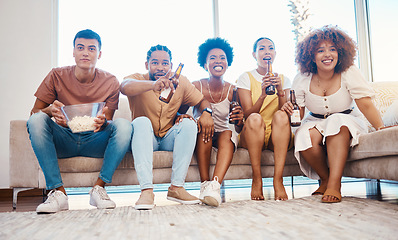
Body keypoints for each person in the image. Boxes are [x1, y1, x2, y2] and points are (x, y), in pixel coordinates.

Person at [27, 29, 133, 213]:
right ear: (73, 52)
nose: (85, 52)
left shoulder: (110, 81)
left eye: (91, 49)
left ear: (99, 54)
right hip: (63, 138)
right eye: (80, 48)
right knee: (36, 121)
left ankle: (99, 188)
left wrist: (103, 121)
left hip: (94, 140)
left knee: (124, 125)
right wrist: (50, 110)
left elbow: (108, 119)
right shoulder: (56, 76)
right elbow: (34, 112)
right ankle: (58, 193)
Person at [290, 25, 385, 203]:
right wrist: (288, 111)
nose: (327, 54)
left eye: (332, 49)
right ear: (311, 55)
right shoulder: (302, 78)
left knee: (336, 121)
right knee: (304, 135)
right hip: (315, 121)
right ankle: (325, 179)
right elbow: (299, 112)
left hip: (347, 119)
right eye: (320, 50)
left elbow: (365, 104)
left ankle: (335, 184)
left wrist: (380, 128)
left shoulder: (348, 72)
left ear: (340, 52)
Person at [120, 44, 214, 210]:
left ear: (171, 66)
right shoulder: (138, 78)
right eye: (155, 62)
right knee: (141, 122)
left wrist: (206, 113)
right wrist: (152, 85)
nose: (160, 67)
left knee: (188, 123)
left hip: (167, 138)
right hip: (145, 139)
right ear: (146, 65)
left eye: (165, 63)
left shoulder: (180, 81)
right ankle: (147, 191)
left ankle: (176, 188)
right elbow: (124, 86)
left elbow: (201, 101)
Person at [236, 37, 293, 201]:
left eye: (270, 48)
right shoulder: (245, 77)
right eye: (262, 48)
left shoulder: (284, 79)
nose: (267, 51)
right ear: (254, 54)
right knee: (254, 118)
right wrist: (262, 95)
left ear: (275, 53)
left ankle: (278, 180)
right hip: (254, 132)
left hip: (278, 133)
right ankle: (257, 179)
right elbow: (247, 114)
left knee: (281, 115)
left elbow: (286, 113)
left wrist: (280, 90)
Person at [191, 38, 244, 207]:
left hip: (222, 133)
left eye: (222, 57)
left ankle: (214, 185)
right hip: (202, 132)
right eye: (212, 58)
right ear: (205, 65)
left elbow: (238, 126)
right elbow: (180, 110)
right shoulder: (195, 86)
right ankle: (204, 183)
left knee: (228, 133)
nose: (218, 61)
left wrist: (240, 119)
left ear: (227, 63)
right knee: (205, 130)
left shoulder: (233, 90)